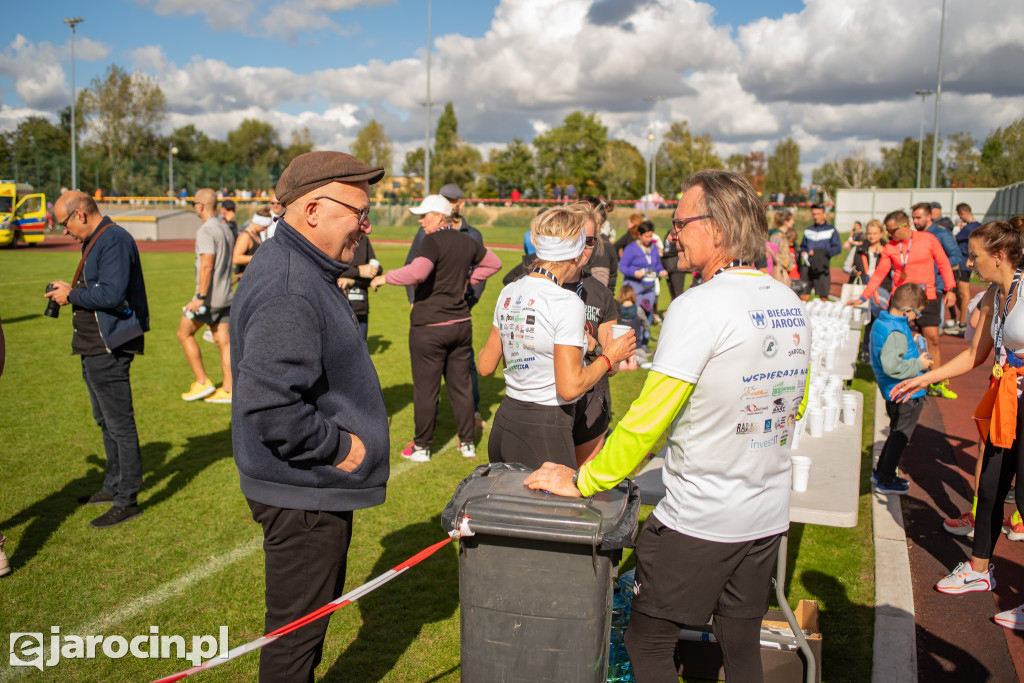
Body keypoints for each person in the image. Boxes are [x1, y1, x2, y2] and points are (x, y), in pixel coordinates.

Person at [525, 169, 810, 682]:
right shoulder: (788, 300)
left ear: (717, 228)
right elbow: (796, 403)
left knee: (647, 640)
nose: (672, 233)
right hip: (766, 512)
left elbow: (646, 420)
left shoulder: (698, 306)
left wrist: (583, 479)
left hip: (701, 516)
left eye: (681, 222)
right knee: (739, 639)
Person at [231, 151, 391, 681]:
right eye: (358, 212)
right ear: (313, 210)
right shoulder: (290, 282)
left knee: (299, 634)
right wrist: (341, 449)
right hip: (303, 494)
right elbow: (269, 402)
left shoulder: (298, 267)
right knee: (295, 642)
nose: (365, 226)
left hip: (303, 489)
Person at [889, 217, 1024, 631]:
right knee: (990, 487)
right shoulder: (992, 297)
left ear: (998, 255)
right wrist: (922, 378)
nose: (968, 264)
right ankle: (980, 569)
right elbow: (973, 356)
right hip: (1007, 403)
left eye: (975, 255)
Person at [478, 205, 635, 470]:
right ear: (575, 252)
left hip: (505, 423)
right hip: (545, 429)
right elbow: (570, 387)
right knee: (558, 511)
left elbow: (484, 366)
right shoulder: (566, 301)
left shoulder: (510, 290)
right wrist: (609, 358)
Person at [45, 191, 150, 529]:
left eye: (64, 223)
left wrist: (71, 294)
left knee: (119, 424)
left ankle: (127, 499)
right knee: (105, 420)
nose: (63, 231)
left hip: (109, 346)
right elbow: (100, 287)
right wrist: (71, 287)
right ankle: (113, 486)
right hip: (92, 345)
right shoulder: (99, 239)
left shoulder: (113, 239)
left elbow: (112, 293)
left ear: (81, 215)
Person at [370, 195, 502, 462]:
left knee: (426, 388)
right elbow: (494, 263)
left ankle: (422, 447)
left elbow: (417, 272)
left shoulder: (431, 242)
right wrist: (468, 280)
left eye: (424, 215)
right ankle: (467, 443)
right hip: (460, 325)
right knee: (461, 385)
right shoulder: (466, 240)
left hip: (429, 327)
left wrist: (385, 277)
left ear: (440, 216)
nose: (420, 220)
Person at [404, 183, 489, 428]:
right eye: (445, 199)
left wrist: (467, 300)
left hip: (458, 313)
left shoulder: (472, 235)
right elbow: (412, 267)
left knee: (466, 367)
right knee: (429, 371)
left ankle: (473, 413)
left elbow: (482, 274)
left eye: (453, 199)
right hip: (429, 314)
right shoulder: (424, 232)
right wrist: (413, 301)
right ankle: (433, 418)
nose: (449, 203)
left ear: (461, 203)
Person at [853, 209, 956, 399]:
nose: (890, 235)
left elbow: (943, 263)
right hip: (902, 300)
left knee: (932, 338)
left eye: (892, 231)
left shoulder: (928, 239)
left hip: (927, 297)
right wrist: (863, 297)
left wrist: (950, 288)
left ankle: (936, 382)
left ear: (905, 225)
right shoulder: (891, 247)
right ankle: (908, 379)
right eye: (888, 231)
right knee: (902, 341)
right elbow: (879, 274)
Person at [867, 283, 933, 494]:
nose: (916, 319)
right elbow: (892, 366)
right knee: (900, 437)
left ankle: (882, 472)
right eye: (917, 314)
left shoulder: (884, 322)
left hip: (895, 391)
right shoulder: (896, 331)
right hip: (906, 392)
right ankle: (886, 479)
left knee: (895, 432)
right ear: (906, 310)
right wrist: (919, 365)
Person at [177, 188, 234, 404]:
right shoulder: (225, 227)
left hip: (210, 298)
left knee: (183, 334)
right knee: (223, 342)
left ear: (200, 205)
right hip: (226, 295)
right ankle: (228, 390)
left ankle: (202, 382)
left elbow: (207, 264)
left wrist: (200, 296)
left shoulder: (206, 230)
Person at [913, 202, 964, 347]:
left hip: (936, 286)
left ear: (929, 217)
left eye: (918, 217)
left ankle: (932, 364)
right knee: (920, 330)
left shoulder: (942, 234)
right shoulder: (916, 236)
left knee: (932, 332)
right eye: (913, 218)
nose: (915, 221)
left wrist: (934, 265)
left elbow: (956, 255)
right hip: (917, 286)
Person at [619, 221, 666, 325]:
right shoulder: (631, 248)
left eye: (651, 236)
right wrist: (634, 273)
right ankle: (637, 337)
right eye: (647, 236)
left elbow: (657, 264)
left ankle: (645, 338)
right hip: (635, 286)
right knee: (637, 314)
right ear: (640, 235)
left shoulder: (654, 248)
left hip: (650, 288)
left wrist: (661, 271)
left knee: (648, 313)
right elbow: (622, 266)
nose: (649, 239)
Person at [337, 234, 381, 341]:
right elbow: (332, 268)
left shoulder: (364, 240)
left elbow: (377, 271)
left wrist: (352, 281)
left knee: (361, 348)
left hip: (360, 307)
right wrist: (359, 271)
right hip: (341, 308)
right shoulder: (338, 238)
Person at [798, 204, 841, 300]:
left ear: (824, 214)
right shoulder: (808, 230)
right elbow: (803, 246)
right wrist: (803, 252)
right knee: (803, 295)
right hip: (807, 267)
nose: (816, 216)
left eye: (818, 214)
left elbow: (837, 248)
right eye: (814, 214)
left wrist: (819, 253)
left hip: (822, 267)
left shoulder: (831, 230)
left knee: (823, 297)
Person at [952, 202, 982, 336]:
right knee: (960, 291)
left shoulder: (969, 228)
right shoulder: (979, 225)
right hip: (965, 262)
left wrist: (957, 228)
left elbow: (954, 239)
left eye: (959, 215)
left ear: (962, 213)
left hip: (964, 262)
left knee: (963, 292)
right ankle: (962, 320)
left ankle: (962, 323)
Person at [580, 196, 619, 294]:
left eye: (584, 213)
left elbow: (598, 290)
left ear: (597, 218)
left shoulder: (602, 247)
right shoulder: (582, 241)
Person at [232, 206, 272, 276]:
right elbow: (236, 258)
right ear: (259, 223)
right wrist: (259, 258)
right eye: (264, 226)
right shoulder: (245, 236)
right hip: (246, 279)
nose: (265, 230)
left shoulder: (256, 234)